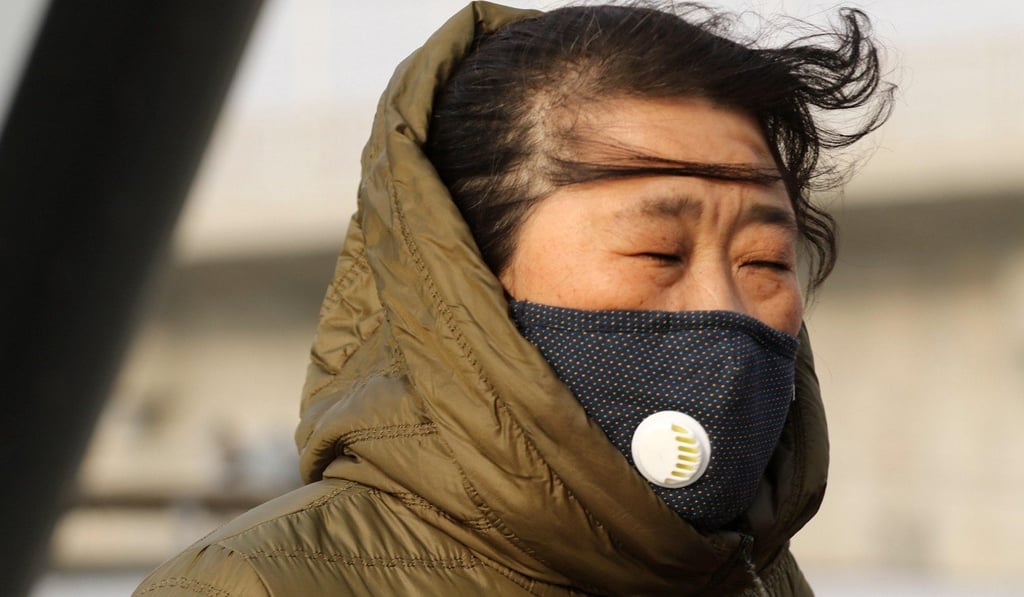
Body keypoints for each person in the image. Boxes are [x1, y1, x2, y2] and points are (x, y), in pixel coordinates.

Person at [134, 2, 892, 595]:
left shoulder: (760, 580)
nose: (722, 307)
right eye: (658, 251)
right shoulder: (249, 587)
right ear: (467, 272)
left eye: (764, 262)